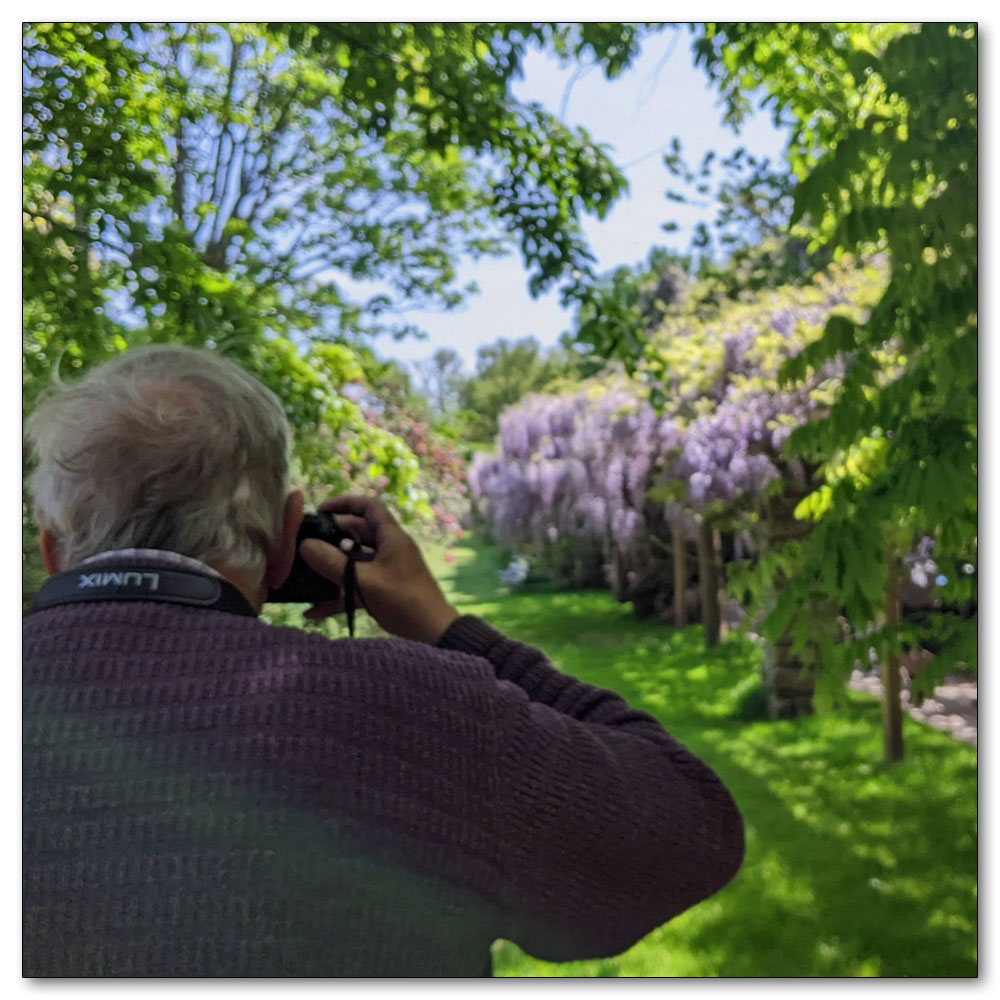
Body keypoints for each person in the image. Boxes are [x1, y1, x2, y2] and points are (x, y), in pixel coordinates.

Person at [22, 344, 745, 978]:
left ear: (51, 548)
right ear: (285, 541)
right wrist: (446, 626)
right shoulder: (417, 711)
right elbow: (690, 828)